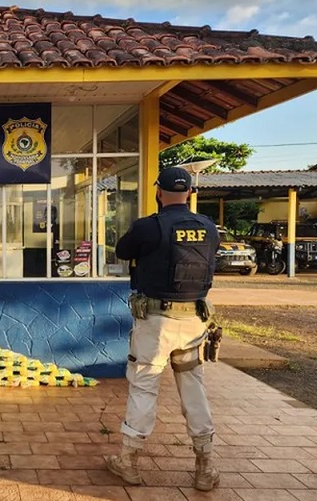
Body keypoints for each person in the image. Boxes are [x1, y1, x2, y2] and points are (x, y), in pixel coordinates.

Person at [106, 167, 221, 492]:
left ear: (158, 192)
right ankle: (205, 465)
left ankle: (129, 460)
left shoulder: (148, 227)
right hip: (194, 322)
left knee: (144, 385)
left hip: (155, 323)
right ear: (190, 193)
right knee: (193, 389)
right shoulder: (209, 227)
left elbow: (122, 250)